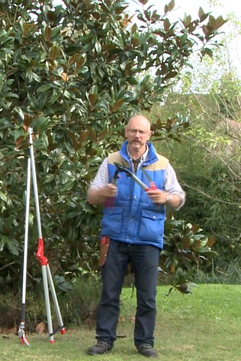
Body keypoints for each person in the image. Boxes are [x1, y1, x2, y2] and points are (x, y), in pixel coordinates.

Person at [86, 114, 185, 358]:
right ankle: (104, 340)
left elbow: (179, 198)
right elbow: (91, 196)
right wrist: (103, 192)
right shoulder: (111, 161)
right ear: (126, 133)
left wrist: (166, 197)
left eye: (142, 132)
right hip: (115, 238)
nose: (137, 136)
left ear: (149, 135)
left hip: (147, 240)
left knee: (147, 296)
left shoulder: (162, 164)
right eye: (133, 131)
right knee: (109, 293)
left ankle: (145, 343)